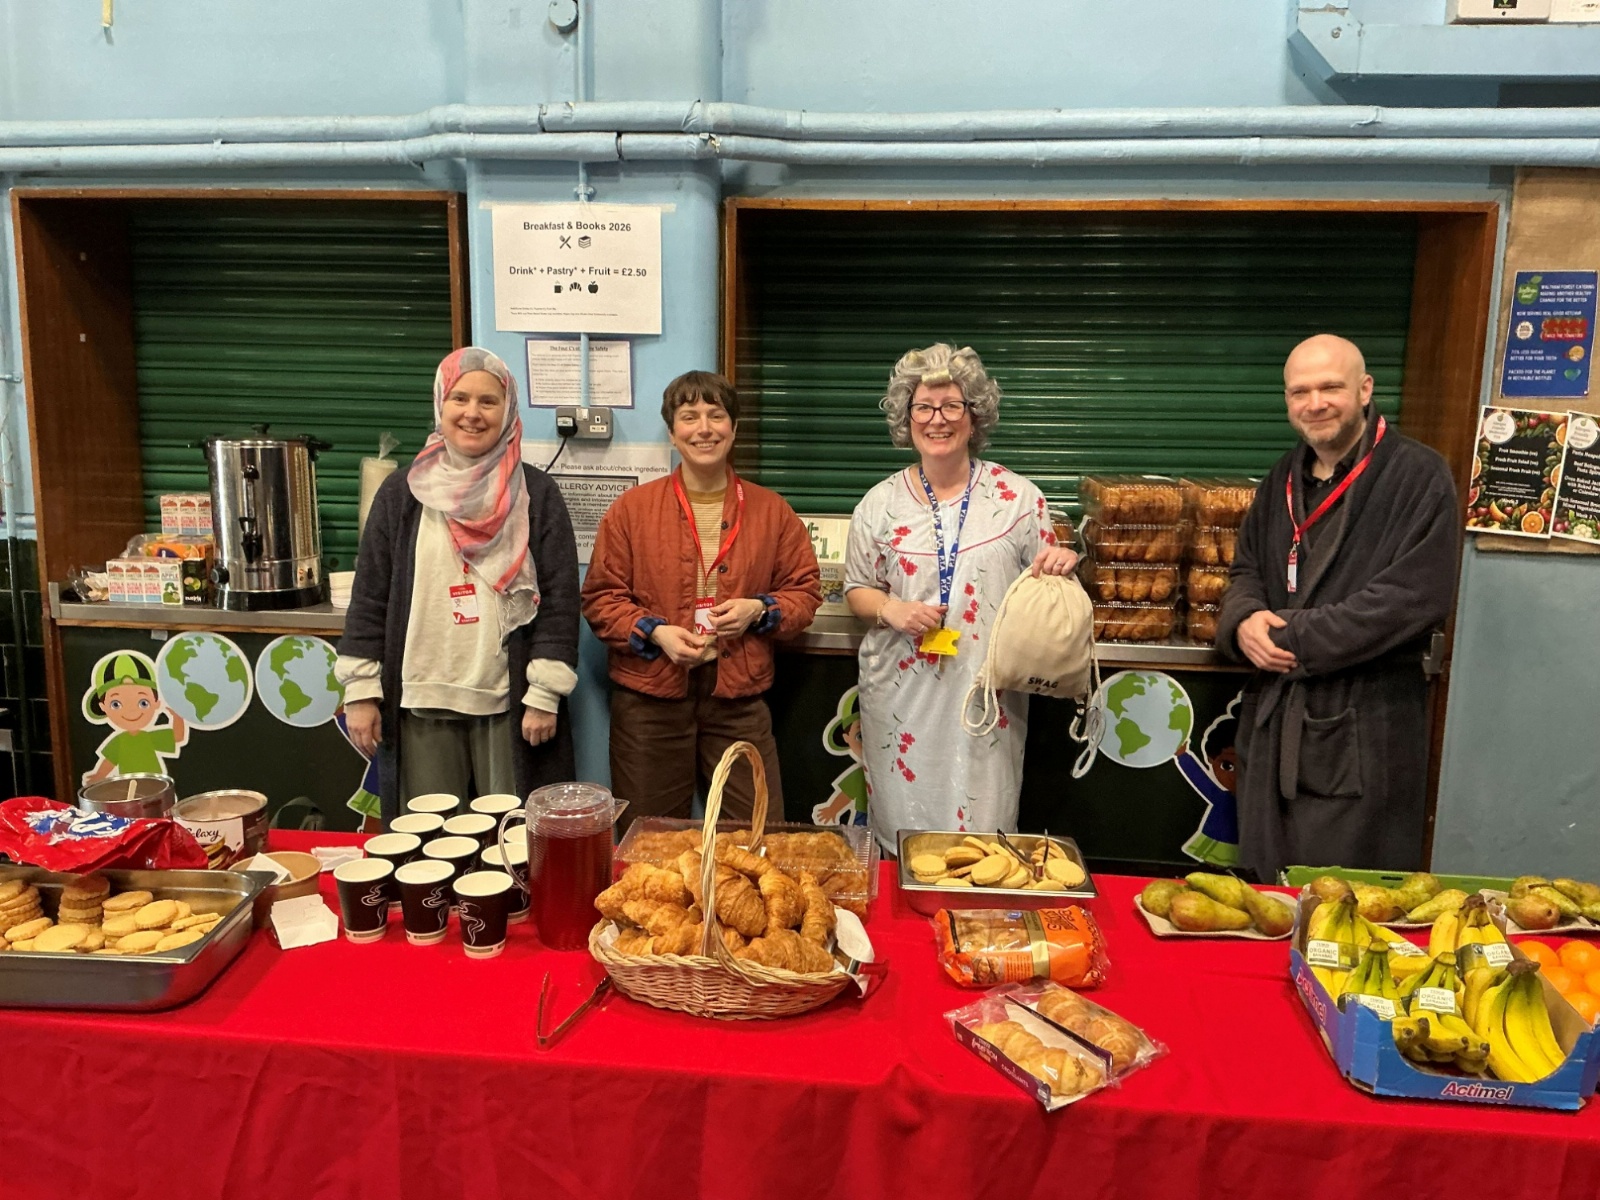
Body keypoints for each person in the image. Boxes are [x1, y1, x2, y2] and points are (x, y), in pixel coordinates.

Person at [1216, 334, 1459, 880]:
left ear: (1365, 389)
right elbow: (1246, 570)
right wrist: (1244, 619)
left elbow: (1409, 599)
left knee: (1342, 898)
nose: (1315, 403)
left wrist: (1287, 637)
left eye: (1331, 387)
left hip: (1363, 727)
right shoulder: (1282, 478)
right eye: (1300, 392)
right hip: (1274, 720)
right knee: (1267, 895)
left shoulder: (1418, 477)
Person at [844, 344, 1078, 849]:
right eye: (923, 407)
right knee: (902, 834)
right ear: (906, 418)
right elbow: (857, 589)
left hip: (986, 695)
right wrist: (890, 609)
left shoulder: (1018, 499)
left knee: (983, 833)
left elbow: (1048, 582)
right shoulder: (878, 504)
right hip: (900, 695)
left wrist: (1062, 563)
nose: (938, 420)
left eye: (952, 406)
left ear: (975, 416)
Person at [337, 347, 581, 822]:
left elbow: (559, 600)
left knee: (512, 839)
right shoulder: (402, 493)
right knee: (427, 840)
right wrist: (361, 691)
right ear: (440, 405)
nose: (473, 413)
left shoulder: (536, 494)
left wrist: (545, 694)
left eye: (488, 401)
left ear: (508, 409)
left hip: (508, 702)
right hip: (419, 698)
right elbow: (370, 596)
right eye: (460, 398)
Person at [581, 370, 822, 821]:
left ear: (734, 427)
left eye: (716, 415)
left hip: (738, 697)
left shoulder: (772, 510)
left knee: (757, 831)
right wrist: (656, 633)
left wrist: (759, 609)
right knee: (649, 837)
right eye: (689, 417)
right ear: (672, 433)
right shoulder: (631, 510)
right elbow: (601, 598)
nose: (704, 428)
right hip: (650, 699)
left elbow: (805, 591)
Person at [81, 651, 188, 785]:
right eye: (116, 704)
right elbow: (110, 761)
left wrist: (176, 715)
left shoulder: (149, 737)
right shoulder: (119, 741)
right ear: (103, 707)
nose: (131, 711)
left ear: (156, 702)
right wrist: (99, 775)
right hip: (128, 789)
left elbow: (177, 736)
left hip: (155, 787)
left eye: (143, 703)